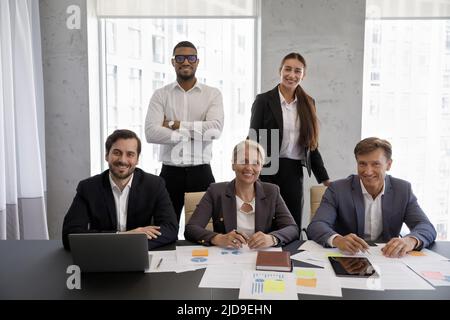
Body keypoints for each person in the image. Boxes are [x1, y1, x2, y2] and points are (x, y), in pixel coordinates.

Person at [307, 137, 437, 258]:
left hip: (387, 258)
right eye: (362, 164)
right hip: (349, 257)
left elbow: (425, 226)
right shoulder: (338, 189)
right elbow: (317, 225)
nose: (368, 171)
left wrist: (410, 241)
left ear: (389, 165)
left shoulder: (403, 190)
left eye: (376, 164)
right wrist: (337, 239)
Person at [249, 52, 330, 230]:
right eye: (287, 69)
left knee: (292, 223)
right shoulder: (264, 100)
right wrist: (250, 169)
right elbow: (253, 139)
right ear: (280, 70)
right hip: (268, 169)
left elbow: (312, 144)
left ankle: (290, 257)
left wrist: (325, 179)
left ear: (303, 75)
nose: (291, 75)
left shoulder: (308, 102)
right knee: (266, 223)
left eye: (297, 71)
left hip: (294, 171)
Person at [145, 41, 224, 222]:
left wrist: (174, 124)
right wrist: (195, 131)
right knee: (163, 232)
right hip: (169, 174)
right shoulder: (161, 94)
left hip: (201, 173)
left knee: (203, 233)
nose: (186, 62)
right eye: (180, 58)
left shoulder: (212, 94)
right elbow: (151, 132)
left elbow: (215, 130)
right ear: (173, 62)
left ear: (197, 61)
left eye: (191, 58)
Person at [62, 129, 178, 250]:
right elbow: (69, 235)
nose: (123, 160)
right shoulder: (88, 188)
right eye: (117, 153)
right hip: (103, 258)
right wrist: (126, 236)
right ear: (107, 155)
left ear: (137, 159)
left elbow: (170, 229)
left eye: (130, 154)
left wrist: (129, 244)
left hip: (138, 256)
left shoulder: (154, 185)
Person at [184, 140, 299, 249]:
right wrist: (219, 238)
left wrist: (272, 239)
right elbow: (191, 229)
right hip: (227, 258)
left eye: (256, 163)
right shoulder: (216, 191)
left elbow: (292, 228)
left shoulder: (272, 191)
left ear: (261, 167)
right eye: (243, 161)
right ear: (233, 164)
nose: (249, 168)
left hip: (260, 257)